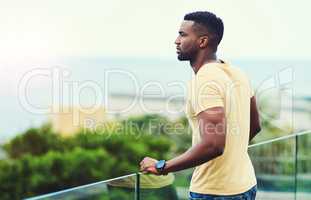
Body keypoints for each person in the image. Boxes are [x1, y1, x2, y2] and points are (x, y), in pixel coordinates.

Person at [140, 11, 261, 200]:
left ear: (202, 41)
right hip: (245, 185)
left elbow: (213, 145)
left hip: (215, 192)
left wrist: (162, 167)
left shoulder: (204, 80)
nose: (176, 41)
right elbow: (255, 126)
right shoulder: (238, 73)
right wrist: (232, 152)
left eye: (183, 34)